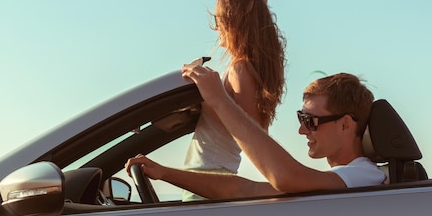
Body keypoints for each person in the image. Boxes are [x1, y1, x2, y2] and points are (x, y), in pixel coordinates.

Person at [126, 72, 386, 199]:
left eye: (310, 121)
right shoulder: (339, 180)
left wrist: (220, 100)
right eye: (301, 119)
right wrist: (164, 172)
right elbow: (243, 188)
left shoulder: (365, 176)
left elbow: (284, 177)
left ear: (345, 125)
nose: (301, 129)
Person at [180, 0, 306, 200]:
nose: (216, 28)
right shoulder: (245, 64)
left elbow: (254, 132)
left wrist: (214, 97)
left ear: (235, 26)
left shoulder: (240, 70)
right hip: (209, 179)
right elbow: (255, 5)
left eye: (220, 21)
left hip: (211, 182)